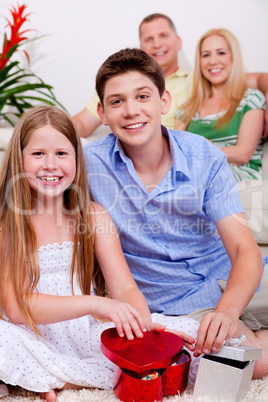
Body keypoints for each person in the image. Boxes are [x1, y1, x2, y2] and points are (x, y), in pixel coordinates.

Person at [83, 48, 268, 379]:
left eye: (142, 96)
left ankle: (246, 328)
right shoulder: (87, 164)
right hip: (180, 302)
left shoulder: (204, 157)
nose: (131, 110)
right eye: (116, 101)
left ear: (164, 102)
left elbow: (243, 249)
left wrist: (227, 310)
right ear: (102, 112)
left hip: (233, 276)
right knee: (239, 363)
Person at [0, 105, 200, 402]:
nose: (51, 165)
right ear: (19, 159)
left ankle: (50, 377)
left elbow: (124, 287)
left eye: (62, 154)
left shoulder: (93, 216)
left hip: (86, 333)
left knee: (190, 334)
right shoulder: (8, 223)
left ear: (77, 161)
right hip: (29, 334)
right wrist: (96, 304)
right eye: (38, 154)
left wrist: (143, 329)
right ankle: (50, 374)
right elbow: (17, 309)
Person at [73, 13, 268, 137]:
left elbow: (258, 80)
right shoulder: (118, 86)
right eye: (149, 39)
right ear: (141, 48)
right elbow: (82, 123)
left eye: (164, 36)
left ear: (178, 42)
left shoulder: (200, 81)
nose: (157, 44)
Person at [175, 28, 265, 182]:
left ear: (233, 57)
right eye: (206, 55)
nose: (213, 61)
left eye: (221, 53)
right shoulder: (187, 108)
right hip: (195, 173)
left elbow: (243, 154)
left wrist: (206, 150)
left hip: (237, 174)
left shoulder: (250, 99)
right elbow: (175, 150)